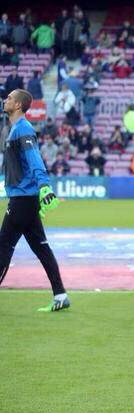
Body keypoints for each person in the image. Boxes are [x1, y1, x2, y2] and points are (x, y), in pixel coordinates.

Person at [0, 89, 68, 312]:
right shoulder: (15, 129)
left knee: (3, 246)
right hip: (25, 198)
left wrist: (44, 185)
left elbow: (34, 158)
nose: (5, 100)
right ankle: (60, 295)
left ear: (18, 105)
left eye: (10, 98)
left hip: (22, 199)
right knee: (41, 248)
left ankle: (60, 294)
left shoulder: (23, 129)